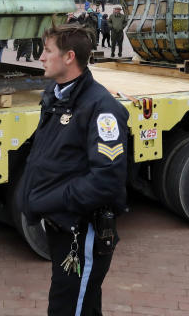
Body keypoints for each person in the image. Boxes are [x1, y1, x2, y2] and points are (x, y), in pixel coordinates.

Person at [19, 24, 128, 316]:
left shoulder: (101, 108)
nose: (41, 57)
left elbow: (107, 180)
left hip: (82, 231)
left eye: (47, 50)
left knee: (68, 309)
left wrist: (51, 201)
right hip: (62, 227)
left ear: (69, 57)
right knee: (83, 305)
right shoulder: (56, 95)